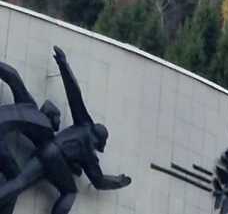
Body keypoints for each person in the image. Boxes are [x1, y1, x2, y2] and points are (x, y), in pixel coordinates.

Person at [0, 47, 131, 214]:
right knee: (70, 192)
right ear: (99, 143)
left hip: (46, 149)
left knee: (20, 181)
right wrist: (118, 182)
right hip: (55, 159)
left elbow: (74, 93)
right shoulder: (89, 155)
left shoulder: (83, 123)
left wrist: (63, 64)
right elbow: (99, 181)